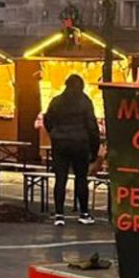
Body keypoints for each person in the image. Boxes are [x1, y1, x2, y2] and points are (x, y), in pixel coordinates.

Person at [42, 74, 102, 226]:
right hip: (80, 144)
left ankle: (59, 215)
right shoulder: (85, 101)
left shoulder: (56, 101)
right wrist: (94, 150)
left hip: (60, 143)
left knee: (60, 179)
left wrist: (54, 133)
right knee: (81, 178)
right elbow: (92, 126)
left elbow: (47, 119)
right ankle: (84, 213)